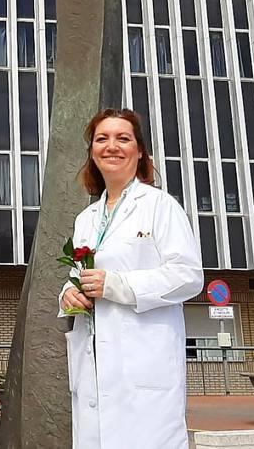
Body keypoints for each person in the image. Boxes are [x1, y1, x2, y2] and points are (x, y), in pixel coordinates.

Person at [59, 108, 204, 449]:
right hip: (93, 368)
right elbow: (76, 277)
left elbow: (188, 276)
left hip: (143, 369)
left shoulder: (159, 206)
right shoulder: (87, 219)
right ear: (92, 152)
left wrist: (117, 286)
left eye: (123, 138)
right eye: (102, 139)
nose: (112, 146)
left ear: (139, 152)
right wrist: (69, 295)